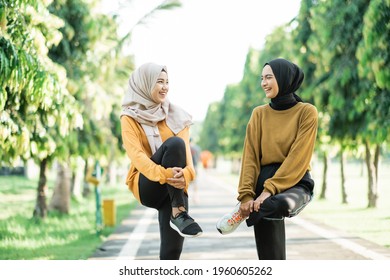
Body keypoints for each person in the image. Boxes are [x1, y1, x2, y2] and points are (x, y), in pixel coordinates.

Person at [216, 58, 318, 260]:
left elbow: (297, 158)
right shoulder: (259, 114)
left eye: (269, 77)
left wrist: (267, 192)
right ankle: (246, 207)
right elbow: (250, 158)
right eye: (262, 78)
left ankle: (247, 211)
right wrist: (246, 196)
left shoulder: (307, 112)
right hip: (261, 184)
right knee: (269, 256)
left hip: (295, 182)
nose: (263, 83)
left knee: (281, 205)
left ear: (284, 78)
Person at [120, 62, 202, 260]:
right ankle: (179, 212)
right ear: (145, 84)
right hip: (148, 184)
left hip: (175, 186)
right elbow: (137, 157)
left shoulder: (177, 116)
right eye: (159, 82)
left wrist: (186, 175)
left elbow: (189, 164)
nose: (165, 86)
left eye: (167, 82)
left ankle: (177, 214)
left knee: (172, 251)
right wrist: (167, 175)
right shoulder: (129, 117)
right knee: (173, 144)